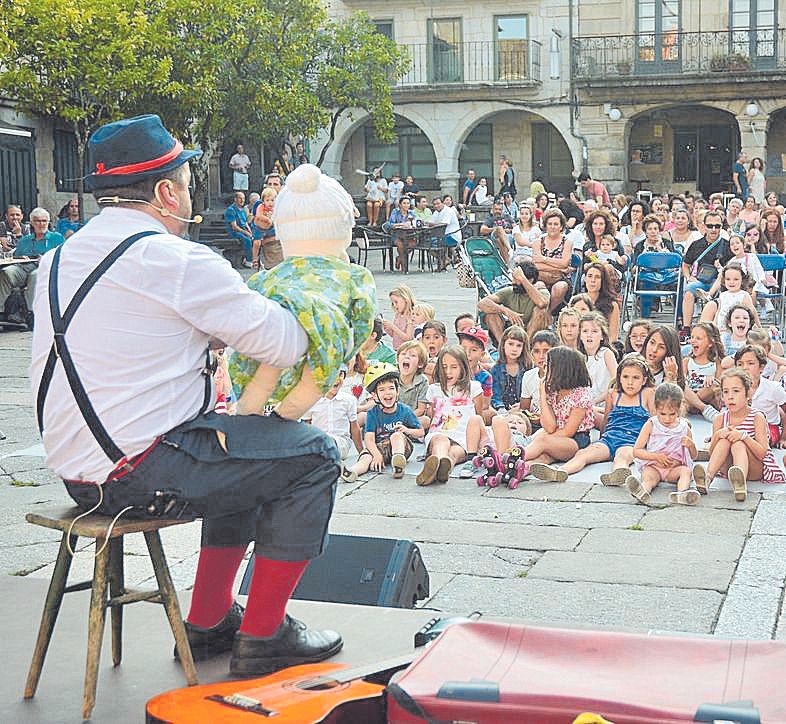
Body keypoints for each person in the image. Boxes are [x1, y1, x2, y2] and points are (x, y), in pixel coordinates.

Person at [29, 114, 344, 677]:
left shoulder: (56, 259)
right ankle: (265, 633)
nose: (192, 190)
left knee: (243, 445)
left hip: (80, 479)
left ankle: (206, 623)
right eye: (187, 178)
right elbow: (286, 342)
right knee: (312, 456)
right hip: (139, 473)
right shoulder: (176, 260)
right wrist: (324, 298)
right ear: (165, 191)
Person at [539, 353, 655, 485]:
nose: (630, 382)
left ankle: (618, 474)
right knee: (583, 454)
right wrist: (601, 439)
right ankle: (561, 471)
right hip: (609, 438)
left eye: (636, 378)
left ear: (644, 380)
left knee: (622, 457)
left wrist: (650, 445)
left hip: (632, 440)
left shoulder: (647, 394)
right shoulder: (613, 394)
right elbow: (606, 419)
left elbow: (654, 421)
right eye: (626, 377)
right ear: (619, 378)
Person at [694, 368, 785, 502]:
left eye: (736, 391)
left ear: (748, 394)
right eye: (726, 392)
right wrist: (718, 435)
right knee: (725, 440)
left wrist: (744, 437)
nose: (730, 396)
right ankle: (707, 478)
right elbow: (712, 452)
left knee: (738, 443)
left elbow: (762, 453)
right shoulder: (720, 419)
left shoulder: (757, 417)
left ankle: (740, 484)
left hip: (754, 468)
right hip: (729, 469)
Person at [515, 346, 596, 482]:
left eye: (548, 367)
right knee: (544, 456)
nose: (544, 370)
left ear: (562, 370)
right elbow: (549, 426)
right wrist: (542, 393)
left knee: (541, 440)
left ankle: (511, 458)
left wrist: (546, 439)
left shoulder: (581, 396)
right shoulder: (553, 391)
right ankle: (520, 469)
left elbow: (568, 432)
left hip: (576, 441)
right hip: (558, 436)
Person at [340, 363, 423, 482]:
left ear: (398, 391)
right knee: (366, 457)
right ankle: (352, 472)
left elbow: (420, 432)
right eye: (382, 390)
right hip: (379, 448)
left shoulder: (405, 410)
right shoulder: (373, 413)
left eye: (391, 388)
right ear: (374, 395)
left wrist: (407, 430)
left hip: (401, 446)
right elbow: (369, 439)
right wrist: (376, 455)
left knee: (396, 435)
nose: (387, 393)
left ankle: (398, 464)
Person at [417, 345, 486, 486]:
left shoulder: (474, 388)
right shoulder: (434, 389)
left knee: (455, 452)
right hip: (440, 432)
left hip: (464, 437)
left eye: (454, 367)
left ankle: (442, 467)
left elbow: (478, 417)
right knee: (441, 441)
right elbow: (431, 417)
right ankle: (438, 460)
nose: (448, 372)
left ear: (463, 367)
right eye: (444, 367)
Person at [626, 383, 699, 506]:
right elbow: (636, 451)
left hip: (673, 469)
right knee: (649, 477)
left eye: (672, 414)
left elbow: (694, 456)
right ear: (655, 408)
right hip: (654, 466)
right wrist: (656, 457)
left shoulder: (684, 427)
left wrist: (691, 445)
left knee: (686, 471)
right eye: (662, 414)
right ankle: (642, 491)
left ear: (680, 409)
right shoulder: (651, 424)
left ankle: (682, 493)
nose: (667, 419)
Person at [0, 206, 65, 316]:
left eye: (44, 221)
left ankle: (32, 313)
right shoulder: (25, 240)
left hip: (46, 268)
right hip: (24, 267)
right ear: (32, 223)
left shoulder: (57, 238)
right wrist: (20, 258)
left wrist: (46, 259)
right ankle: (0, 311)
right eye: (38, 221)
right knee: (6, 272)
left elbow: (63, 257)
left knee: (35, 276)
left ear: (48, 222)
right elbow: (15, 257)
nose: (41, 224)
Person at [477, 258, 551, 341]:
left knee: (541, 311)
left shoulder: (542, 292)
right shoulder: (510, 291)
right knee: (491, 314)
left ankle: (526, 344)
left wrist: (523, 279)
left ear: (530, 280)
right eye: (513, 278)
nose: (513, 282)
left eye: (516, 279)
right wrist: (506, 311)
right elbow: (482, 303)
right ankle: (502, 346)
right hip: (512, 330)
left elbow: (542, 303)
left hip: (533, 333)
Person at [303, 367, 362, 462]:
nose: (337, 379)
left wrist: (361, 452)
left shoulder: (349, 400)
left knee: (328, 442)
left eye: (340, 374)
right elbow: (307, 426)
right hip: (318, 441)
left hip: (341, 442)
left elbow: (354, 428)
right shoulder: (312, 401)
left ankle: (330, 463)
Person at [735, 345, 786, 448]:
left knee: (748, 441)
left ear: (761, 367)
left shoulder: (773, 388)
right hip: (742, 426)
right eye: (740, 364)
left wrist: (784, 438)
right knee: (730, 438)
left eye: (750, 363)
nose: (745, 367)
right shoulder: (734, 387)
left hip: (769, 428)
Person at [533, 208, 573, 314]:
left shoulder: (567, 242)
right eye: (550, 224)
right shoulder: (538, 242)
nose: (552, 227)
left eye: (556, 224)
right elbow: (536, 266)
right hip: (541, 276)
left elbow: (565, 262)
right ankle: (540, 314)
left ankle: (548, 314)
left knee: (559, 287)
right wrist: (559, 267)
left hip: (561, 278)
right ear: (545, 226)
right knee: (538, 286)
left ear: (561, 226)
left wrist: (544, 259)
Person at [699, 263, 759, 332]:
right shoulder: (723, 295)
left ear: (742, 281)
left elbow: (752, 312)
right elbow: (719, 311)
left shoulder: (744, 295)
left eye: (736, 279)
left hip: (736, 327)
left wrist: (758, 326)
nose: (731, 282)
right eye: (728, 279)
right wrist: (715, 324)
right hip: (722, 326)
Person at [682, 322, 724, 418]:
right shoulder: (687, 361)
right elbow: (682, 381)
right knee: (682, 386)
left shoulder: (716, 363)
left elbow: (720, 384)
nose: (693, 341)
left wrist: (713, 379)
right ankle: (701, 407)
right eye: (692, 337)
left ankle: (694, 404)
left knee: (714, 385)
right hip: (689, 395)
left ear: (710, 343)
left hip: (707, 398)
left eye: (698, 338)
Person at [578, 311, 617, 406]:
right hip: (584, 404)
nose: (589, 335)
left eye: (594, 331)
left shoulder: (606, 354)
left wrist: (595, 401)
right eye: (585, 331)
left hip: (604, 404)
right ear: (580, 335)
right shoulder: (578, 356)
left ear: (602, 336)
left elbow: (616, 381)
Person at [490, 324, 530, 414]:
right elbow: (495, 395)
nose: (514, 349)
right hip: (502, 411)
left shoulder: (528, 368)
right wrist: (502, 409)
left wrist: (522, 405)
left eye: (519, 345)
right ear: (503, 344)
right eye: (511, 344)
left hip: (524, 409)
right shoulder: (496, 369)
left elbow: (532, 393)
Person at [583, 262, 621, 341]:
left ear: (603, 281)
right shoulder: (578, 301)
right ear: (585, 279)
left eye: (597, 277)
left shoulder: (612, 305)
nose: (593, 280)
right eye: (590, 276)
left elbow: (613, 337)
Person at [396, 340, 430, 429]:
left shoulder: (423, 381)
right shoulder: (392, 377)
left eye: (412, 355)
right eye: (403, 354)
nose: (407, 357)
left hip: (410, 418)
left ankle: (405, 431)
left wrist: (404, 419)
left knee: (426, 420)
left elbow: (421, 409)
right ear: (397, 359)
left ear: (420, 364)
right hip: (391, 417)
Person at [251, 186, 282, 269]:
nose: (270, 203)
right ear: (263, 201)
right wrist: (268, 220)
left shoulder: (276, 208)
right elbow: (258, 215)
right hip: (259, 228)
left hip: (271, 230)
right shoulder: (261, 206)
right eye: (267, 200)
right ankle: (254, 258)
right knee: (256, 242)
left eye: (272, 200)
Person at [224, 190, 254, 268]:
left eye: (243, 198)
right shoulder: (231, 210)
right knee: (247, 240)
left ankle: (250, 258)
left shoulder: (243, 209)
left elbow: (245, 222)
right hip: (234, 232)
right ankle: (248, 261)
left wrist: (249, 231)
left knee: (255, 237)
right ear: (235, 199)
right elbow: (234, 227)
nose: (242, 200)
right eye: (240, 198)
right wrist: (246, 233)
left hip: (243, 229)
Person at [383, 284, 416, 350]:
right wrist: (387, 328)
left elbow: (408, 338)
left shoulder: (411, 316)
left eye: (396, 302)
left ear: (405, 300)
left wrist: (392, 326)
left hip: (407, 350)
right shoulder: (398, 315)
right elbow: (394, 335)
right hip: (396, 348)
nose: (394, 305)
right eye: (392, 303)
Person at [387, 195, 415, 272]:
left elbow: (415, 223)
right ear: (400, 204)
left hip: (409, 235)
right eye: (404, 203)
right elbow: (390, 224)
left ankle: (399, 258)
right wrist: (401, 224)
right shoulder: (395, 211)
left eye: (408, 203)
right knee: (401, 245)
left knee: (413, 244)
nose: (406, 205)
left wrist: (411, 224)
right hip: (396, 235)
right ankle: (404, 265)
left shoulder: (411, 213)